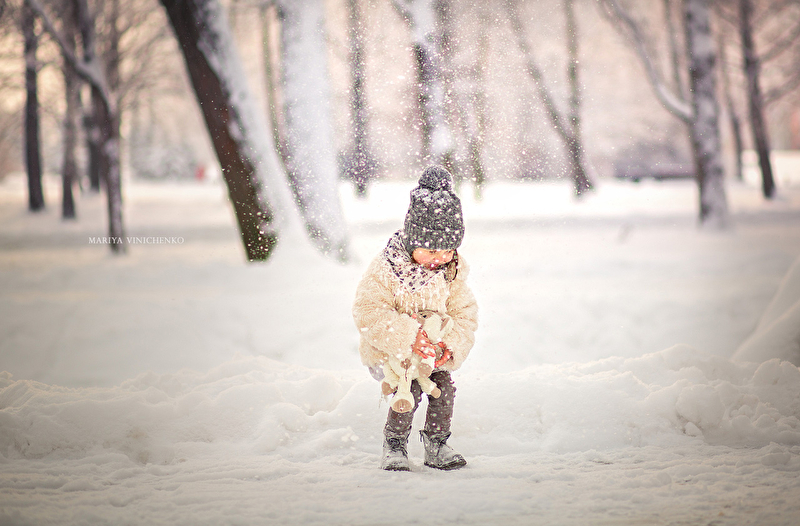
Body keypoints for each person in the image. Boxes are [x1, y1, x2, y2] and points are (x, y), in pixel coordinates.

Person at [352, 165, 478, 471]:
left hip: (431, 355)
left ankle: (437, 443)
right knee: (410, 389)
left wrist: (448, 346)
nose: (440, 258)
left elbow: (465, 315)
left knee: (443, 389)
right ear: (412, 241)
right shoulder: (387, 269)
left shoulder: (451, 273)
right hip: (391, 355)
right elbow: (368, 311)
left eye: (447, 250)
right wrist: (408, 337)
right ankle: (394, 444)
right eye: (431, 250)